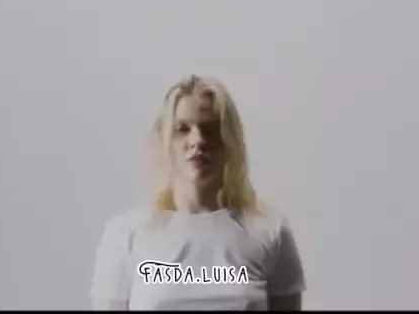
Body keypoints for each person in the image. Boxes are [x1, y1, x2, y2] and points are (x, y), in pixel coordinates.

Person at [89, 75, 306, 310]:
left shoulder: (270, 231)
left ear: (229, 140)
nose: (197, 140)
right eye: (182, 129)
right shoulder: (125, 235)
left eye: (210, 129)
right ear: (165, 139)